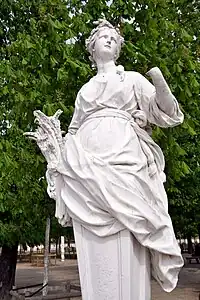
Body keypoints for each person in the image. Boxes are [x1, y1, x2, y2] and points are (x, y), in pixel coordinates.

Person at [27, 19, 184, 292]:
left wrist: (158, 81)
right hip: (85, 168)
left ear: (118, 48)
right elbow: (72, 131)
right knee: (93, 248)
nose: (109, 40)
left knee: (129, 224)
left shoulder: (132, 79)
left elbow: (168, 112)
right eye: (103, 36)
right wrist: (56, 155)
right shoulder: (84, 91)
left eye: (113, 37)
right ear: (92, 47)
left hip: (125, 160)